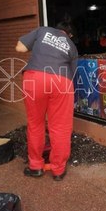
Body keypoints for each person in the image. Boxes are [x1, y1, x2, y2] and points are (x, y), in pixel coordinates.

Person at [15, 19, 78, 181]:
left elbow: (20, 48)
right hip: (62, 81)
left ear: (56, 29)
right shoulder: (72, 46)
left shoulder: (42, 30)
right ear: (69, 35)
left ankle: (35, 167)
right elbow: (72, 74)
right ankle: (58, 170)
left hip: (35, 78)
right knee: (61, 127)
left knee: (35, 123)